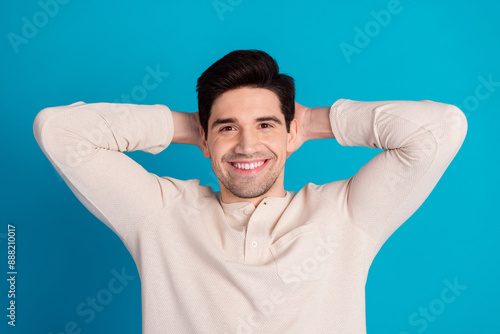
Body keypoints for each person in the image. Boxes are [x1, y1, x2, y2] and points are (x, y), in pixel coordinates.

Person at [33, 49, 468, 333]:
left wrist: (315, 121)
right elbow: (58, 131)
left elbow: (442, 128)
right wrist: (190, 126)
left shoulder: (346, 215)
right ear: (204, 140)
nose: (246, 145)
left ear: (290, 134)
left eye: (265, 125)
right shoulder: (160, 216)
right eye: (228, 128)